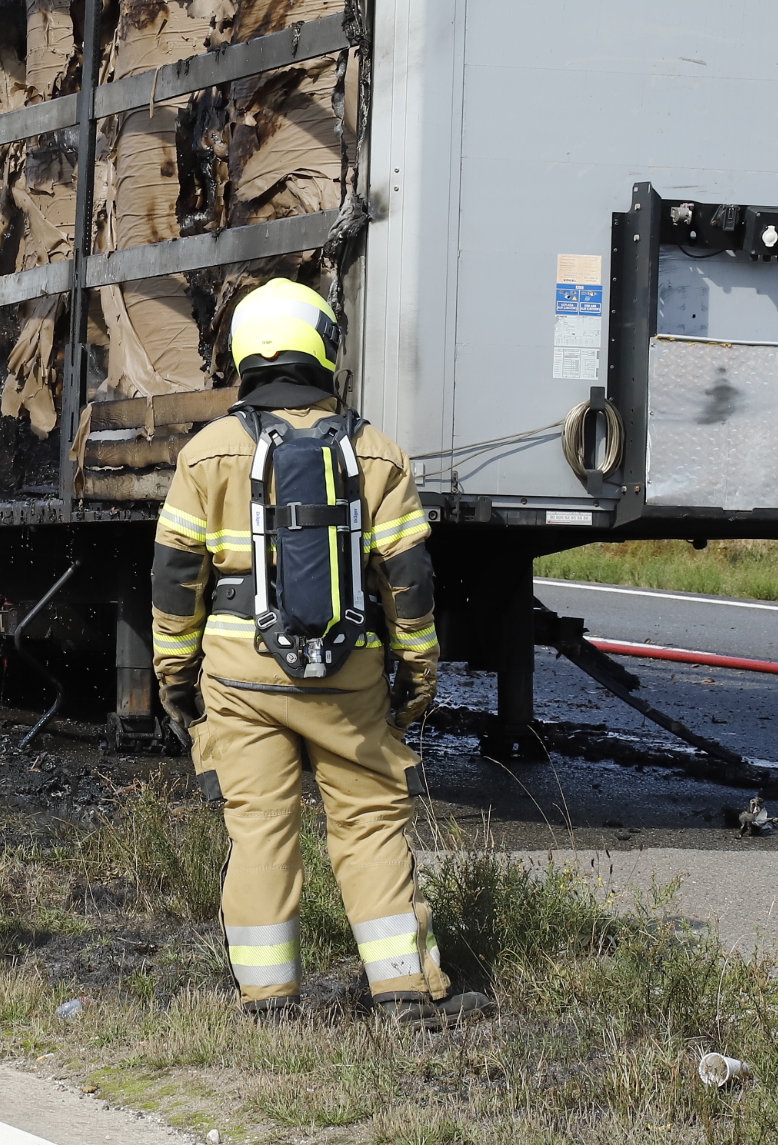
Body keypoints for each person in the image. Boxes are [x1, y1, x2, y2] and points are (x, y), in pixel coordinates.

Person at [151, 278, 489, 1028]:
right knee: (369, 825)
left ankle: (269, 1003)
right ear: (326, 348)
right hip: (352, 685)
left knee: (260, 831)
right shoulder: (380, 454)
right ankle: (404, 995)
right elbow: (410, 583)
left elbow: (175, 577)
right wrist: (417, 681)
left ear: (244, 353)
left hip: (242, 685)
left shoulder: (206, 456)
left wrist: (175, 678)